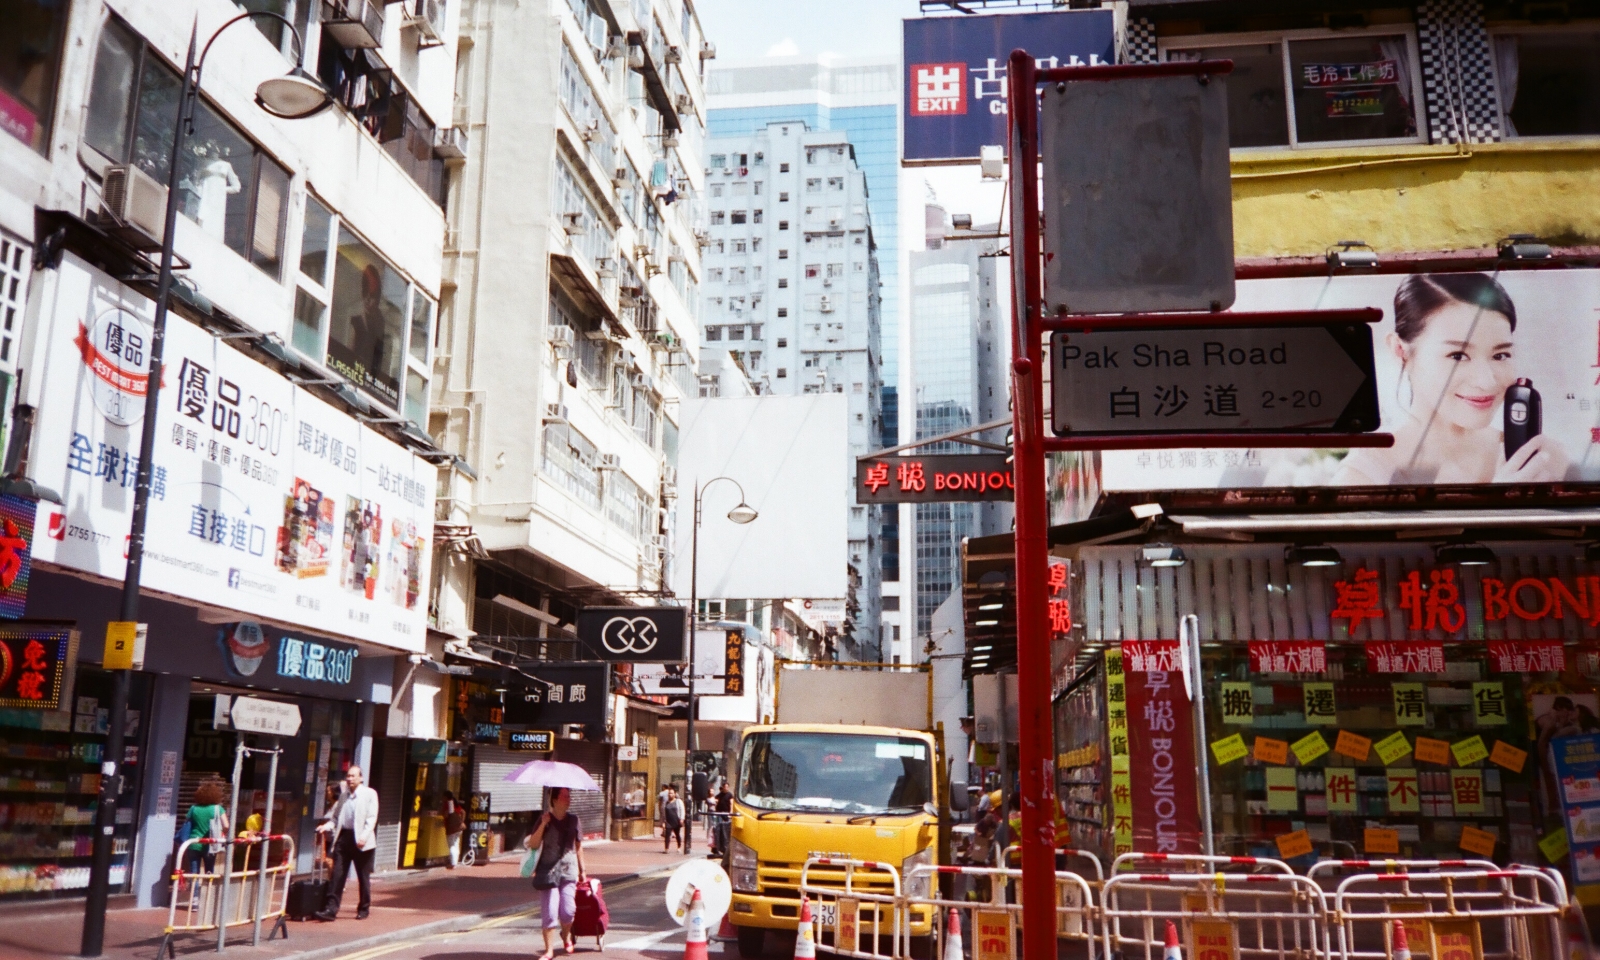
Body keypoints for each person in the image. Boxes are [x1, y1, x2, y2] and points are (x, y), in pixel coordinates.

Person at [1334, 273, 1569, 485]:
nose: (1486, 382)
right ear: (1400, 350)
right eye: (1457, 355)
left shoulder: (1542, 459)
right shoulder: (1365, 475)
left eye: (1501, 355)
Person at [526, 787, 586, 960]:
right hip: (548, 871)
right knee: (550, 913)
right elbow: (534, 844)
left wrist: (583, 870)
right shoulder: (544, 819)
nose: (568, 799)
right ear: (554, 799)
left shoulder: (574, 820)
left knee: (568, 911)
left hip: (569, 870)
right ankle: (549, 950)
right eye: (565, 796)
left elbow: (578, 846)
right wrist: (544, 824)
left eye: (569, 796)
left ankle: (566, 935)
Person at [315, 765, 379, 921]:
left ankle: (364, 908)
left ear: (361, 778)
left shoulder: (369, 794)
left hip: (362, 841)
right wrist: (326, 826)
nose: (350, 779)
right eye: (348, 776)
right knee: (337, 874)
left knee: (363, 877)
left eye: (353, 776)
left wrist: (364, 836)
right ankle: (331, 909)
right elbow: (335, 819)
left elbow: (371, 818)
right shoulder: (344, 796)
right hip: (344, 838)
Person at [182, 778, 229, 874]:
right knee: (209, 871)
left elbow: (186, 823)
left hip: (193, 843)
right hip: (210, 844)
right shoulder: (218, 808)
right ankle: (207, 889)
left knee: (194, 873)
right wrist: (221, 834)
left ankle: (194, 889)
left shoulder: (193, 808)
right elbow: (226, 825)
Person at [442, 791, 466, 869]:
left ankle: (453, 863)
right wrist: (462, 821)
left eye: (443, 796)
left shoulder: (448, 804)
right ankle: (455, 862)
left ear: (446, 797)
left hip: (452, 828)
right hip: (459, 828)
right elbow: (463, 812)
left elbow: (446, 815)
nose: (442, 798)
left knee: (451, 845)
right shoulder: (455, 803)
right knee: (456, 844)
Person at [712, 781, 733, 856]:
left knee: (726, 829)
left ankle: (725, 845)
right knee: (718, 828)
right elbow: (715, 801)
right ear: (723, 787)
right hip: (719, 813)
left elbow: (731, 803)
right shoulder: (719, 795)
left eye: (727, 787)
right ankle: (717, 846)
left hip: (726, 814)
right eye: (725, 786)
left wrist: (730, 813)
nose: (726, 788)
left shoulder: (730, 795)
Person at [661, 786, 685, 853]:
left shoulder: (678, 801)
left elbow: (682, 810)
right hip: (668, 821)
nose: (670, 795)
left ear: (674, 794)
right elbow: (663, 813)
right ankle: (666, 848)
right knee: (667, 835)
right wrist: (663, 821)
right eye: (669, 793)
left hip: (676, 821)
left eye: (671, 793)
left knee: (677, 834)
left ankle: (679, 847)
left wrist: (682, 819)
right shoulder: (666, 802)